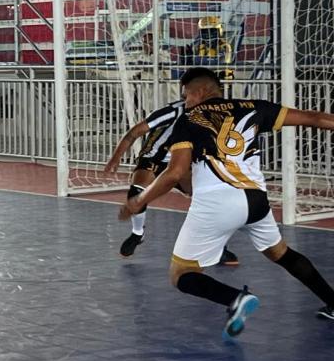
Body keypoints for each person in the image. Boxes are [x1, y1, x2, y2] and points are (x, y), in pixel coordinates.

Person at [119, 67, 334, 338]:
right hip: (256, 201)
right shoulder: (254, 107)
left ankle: (235, 299)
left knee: (181, 273)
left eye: (186, 96)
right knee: (280, 252)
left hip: (217, 203)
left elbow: (174, 173)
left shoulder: (189, 119)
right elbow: (313, 118)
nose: (185, 102)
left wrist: (139, 200)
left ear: (198, 92)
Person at [105, 94, 238, 266]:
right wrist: (115, 158)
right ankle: (137, 234)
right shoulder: (172, 111)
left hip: (183, 161)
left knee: (209, 198)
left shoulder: (213, 117)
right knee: (137, 191)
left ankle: (218, 248)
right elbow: (135, 132)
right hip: (154, 158)